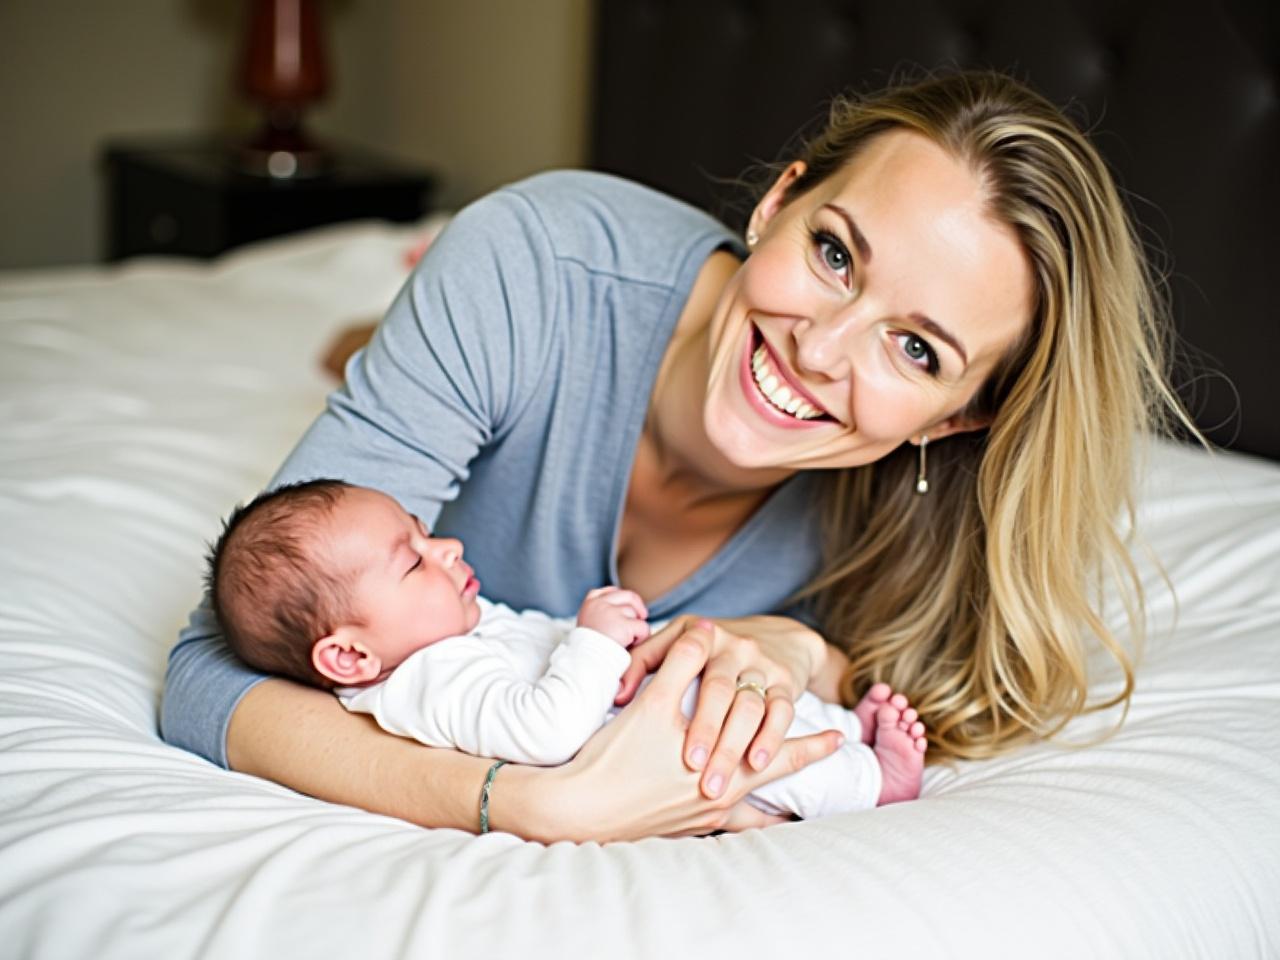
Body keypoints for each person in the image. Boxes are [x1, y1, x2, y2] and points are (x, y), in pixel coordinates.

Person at [162, 70, 1194, 841]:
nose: (818, 348)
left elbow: (929, 684)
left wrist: (798, 650)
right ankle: (376, 336)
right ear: (776, 202)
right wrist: (527, 802)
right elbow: (208, 675)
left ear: (956, 419)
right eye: (833, 254)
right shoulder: (532, 265)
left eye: (915, 348)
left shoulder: (922, 501)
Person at [207, 479, 928, 820]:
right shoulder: (419, 684)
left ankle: (842, 726)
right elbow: (541, 732)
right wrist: (590, 641)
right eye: (414, 561)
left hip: (632, 700)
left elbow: (527, 638)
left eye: (424, 530)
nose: (446, 547)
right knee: (743, 758)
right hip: (645, 750)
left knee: (738, 694)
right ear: (349, 658)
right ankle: (871, 783)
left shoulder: (441, 633)